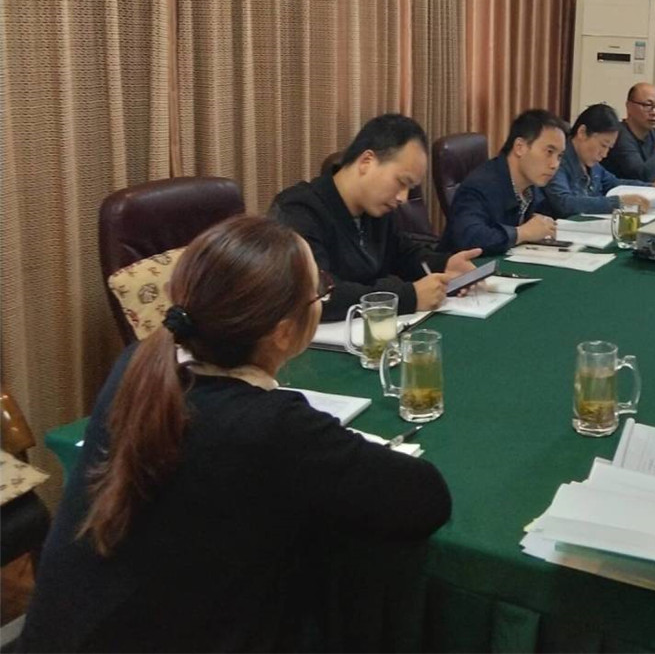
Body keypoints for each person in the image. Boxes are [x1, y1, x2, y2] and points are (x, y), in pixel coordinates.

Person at [22, 216, 452, 652]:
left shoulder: (135, 366)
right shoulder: (272, 426)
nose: (324, 297)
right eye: (319, 291)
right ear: (284, 333)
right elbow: (426, 499)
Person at [270, 113, 480, 320]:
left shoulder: (374, 209)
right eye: (401, 182)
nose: (403, 198)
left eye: (410, 188)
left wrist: (444, 264)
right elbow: (319, 294)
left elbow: (402, 253)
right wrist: (408, 297)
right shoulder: (297, 210)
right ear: (366, 161)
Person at [441, 108, 565, 255]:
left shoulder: (533, 187)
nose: (555, 165)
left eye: (559, 156)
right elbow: (469, 238)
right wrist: (522, 233)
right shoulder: (479, 185)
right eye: (549, 152)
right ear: (520, 147)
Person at [544, 103, 655, 218]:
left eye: (609, 148)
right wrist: (617, 203)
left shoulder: (592, 164)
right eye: (603, 145)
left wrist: (650, 187)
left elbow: (613, 183)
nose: (604, 154)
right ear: (582, 132)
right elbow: (564, 203)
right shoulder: (557, 160)